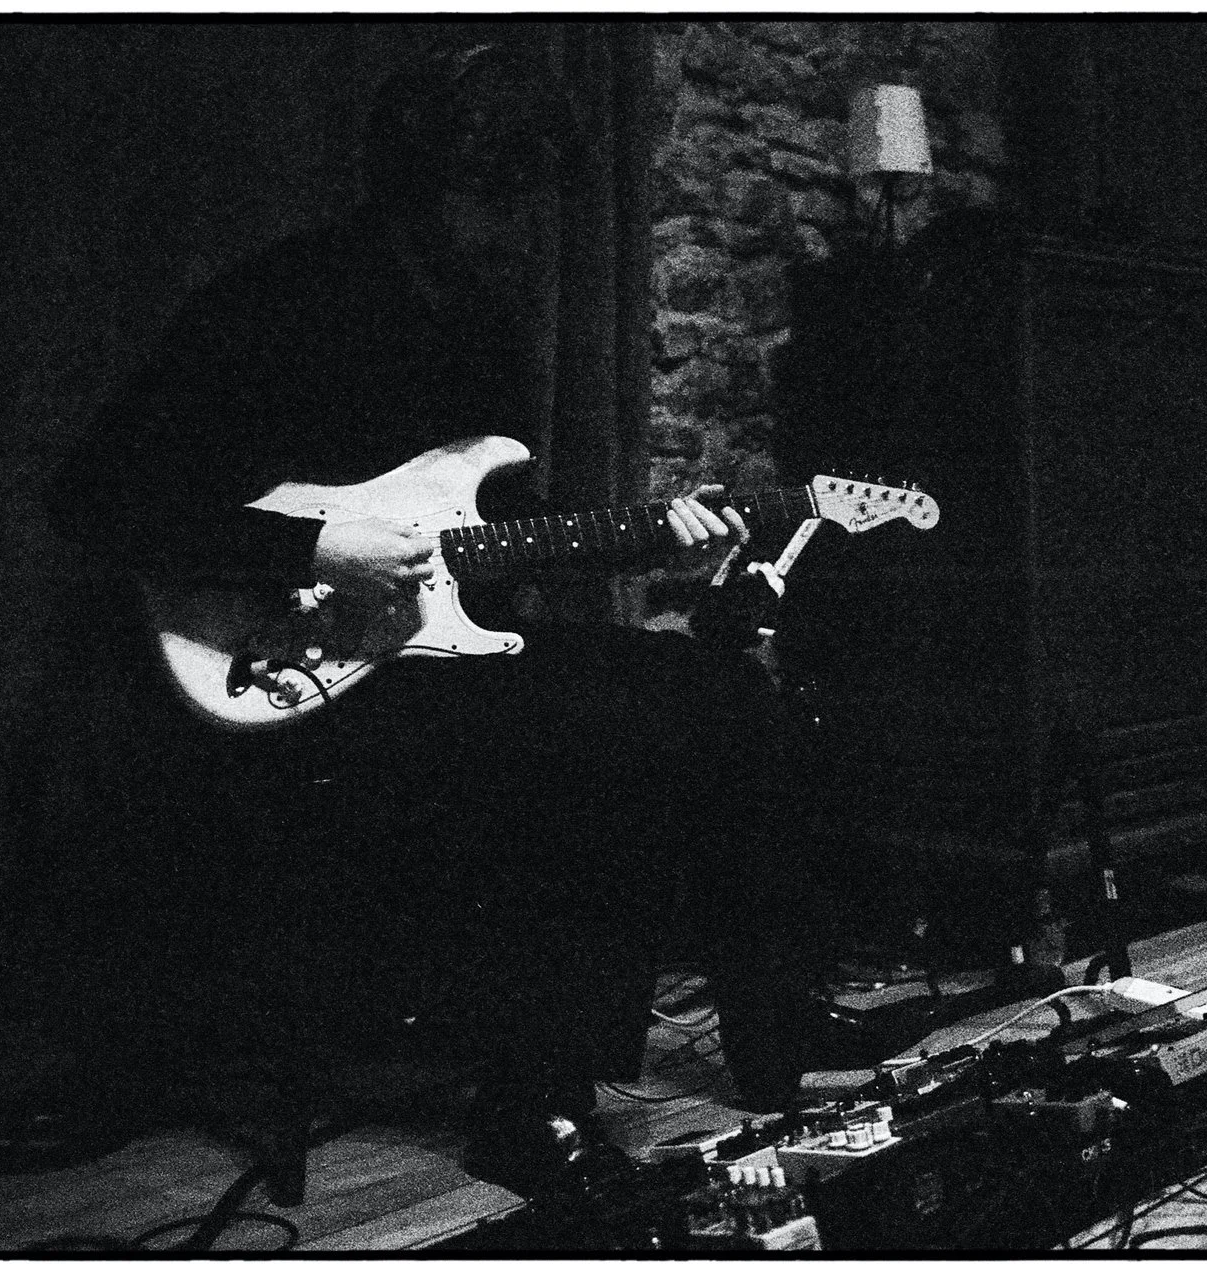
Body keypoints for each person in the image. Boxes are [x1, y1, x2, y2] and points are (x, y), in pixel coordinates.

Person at [43, 41, 821, 1194]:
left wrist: (651, 536)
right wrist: (318, 546)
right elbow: (96, 498)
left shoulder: (478, 323)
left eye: (532, 201)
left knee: (715, 689)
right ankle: (532, 1101)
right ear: (422, 184)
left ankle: (779, 1046)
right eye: (497, 198)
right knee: (587, 730)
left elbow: (490, 536)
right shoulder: (273, 302)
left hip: (428, 650)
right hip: (287, 674)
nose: (525, 232)